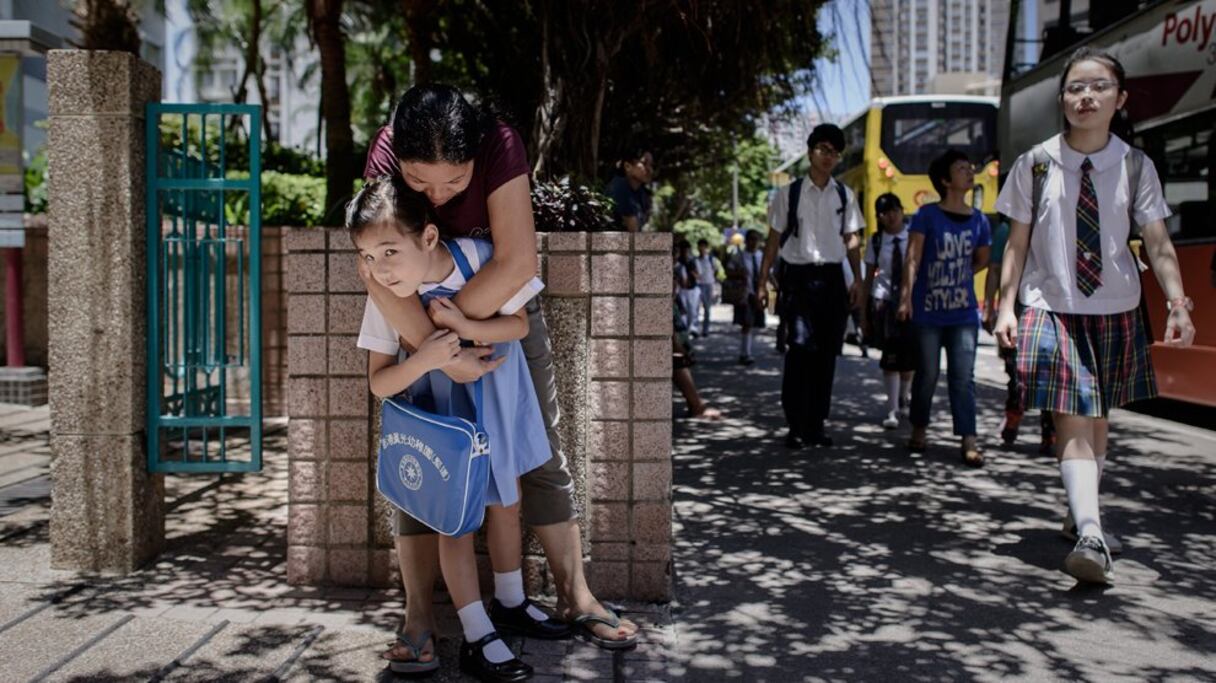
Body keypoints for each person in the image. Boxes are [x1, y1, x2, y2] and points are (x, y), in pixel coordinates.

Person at [362, 85, 638, 667]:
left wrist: (459, 330)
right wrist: (437, 351)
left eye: (454, 184)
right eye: (419, 182)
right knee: (428, 460)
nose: (436, 196)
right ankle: (418, 615)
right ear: (397, 157)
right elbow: (373, 258)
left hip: (484, 314)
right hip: (416, 323)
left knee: (536, 452)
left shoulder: (500, 143)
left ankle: (573, 593)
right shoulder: (386, 148)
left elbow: (516, 261)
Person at [993, 47, 1195, 584]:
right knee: (1073, 417)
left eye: (1099, 87)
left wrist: (1178, 303)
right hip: (1052, 307)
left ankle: (1081, 511)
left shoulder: (1135, 164)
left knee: (1099, 419)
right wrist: (1005, 306)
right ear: (1061, 100)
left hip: (1115, 308)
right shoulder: (1034, 163)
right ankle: (1089, 532)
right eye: (1076, 88)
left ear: (1119, 98)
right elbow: (1016, 244)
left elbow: (1157, 240)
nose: (1086, 97)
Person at [350, 177, 543, 681]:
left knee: (507, 502)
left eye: (389, 251)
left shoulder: (481, 257)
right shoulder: (388, 300)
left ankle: (510, 601)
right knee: (455, 521)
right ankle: (477, 633)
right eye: (367, 258)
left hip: (496, 404)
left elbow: (519, 324)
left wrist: (467, 328)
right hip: (444, 426)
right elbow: (379, 383)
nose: (379, 270)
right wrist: (427, 359)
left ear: (429, 238)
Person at [758, 124, 865, 449]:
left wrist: (858, 280)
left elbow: (852, 240)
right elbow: (773, 240)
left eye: (834, 151)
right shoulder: (788, 194)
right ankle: (795, 424)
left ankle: (817, 424)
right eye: (822, 149)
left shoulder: (845, 195)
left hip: (832, 278)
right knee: (800, 350)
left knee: (827, 355)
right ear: (810, 152)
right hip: (798, 279)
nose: (828, 156)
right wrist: (762, 282)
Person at [897, 150, 991, 466]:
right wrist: (906, 297)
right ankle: (919, 428)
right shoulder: (926, 215)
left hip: (963, 313)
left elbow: (981, 259)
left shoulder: (980, 220)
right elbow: (913, 259)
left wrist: (959, 275)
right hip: (927, 311)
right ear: (945, 180)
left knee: (963, 377)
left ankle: (969, 439)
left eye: (970, 167)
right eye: (961, 168)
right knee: (927, 373)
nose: (969, 172)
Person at [983, 218, 1056, 453]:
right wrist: (991, 308)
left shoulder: (1043, 225)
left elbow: (995, 271)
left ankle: (1045, 431)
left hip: (1043, 311)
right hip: (1020, 312)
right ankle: (1023, 422)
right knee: (1023, 372)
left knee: (1033, 373)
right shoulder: (1007, 231)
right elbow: (995, 270)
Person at [861, 193, 914, 430]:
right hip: (883, 303)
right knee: (890, 357)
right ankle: (892, 409)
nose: (890, 216)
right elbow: (867, 277)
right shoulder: (875, 241)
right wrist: (863, 312)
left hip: (911, 301)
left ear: (902, 210)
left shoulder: (914, 237)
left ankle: (905, 396)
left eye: (894, 210)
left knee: (909, 358)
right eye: (884, 213)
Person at [729, 229, 767, 366]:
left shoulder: (761, 256)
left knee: (752, 324)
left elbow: (767, 273)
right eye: (751, 239)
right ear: (746, 241)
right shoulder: (739, 256)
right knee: (747, 324)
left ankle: (746, 351)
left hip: (757, 294)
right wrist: (738, 272)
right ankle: (745, 353)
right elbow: (729, 271)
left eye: (755, 239)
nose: (753, 242)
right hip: (745, 293)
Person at [606, 146, 654, 232]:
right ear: (628, 166)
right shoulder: (619, 188)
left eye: (651, 165)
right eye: (644, 163)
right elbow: (634, 232)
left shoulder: (640, 192)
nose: (649, 169)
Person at [692, 238, 720, 336]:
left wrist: (713, 281)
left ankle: (705, 330)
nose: (701, 248)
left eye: (703, 246)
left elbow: (716, 270)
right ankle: (694, 329)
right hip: (698, 285)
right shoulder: (695, 260)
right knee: (696, 308)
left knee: (707, 309)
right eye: (700, 246)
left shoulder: (711, 259)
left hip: (708, 285)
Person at [675, 240, 703, 335]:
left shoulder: (694, 261)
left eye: (686, 250)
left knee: (692, 310)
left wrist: (692, 273)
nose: (684, 252)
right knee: (683, 311)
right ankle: (685, 330)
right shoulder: (677, 262)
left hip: (692, 289)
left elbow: (699, 276)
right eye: (682, 250)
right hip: (682, 290)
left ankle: (691, 328)